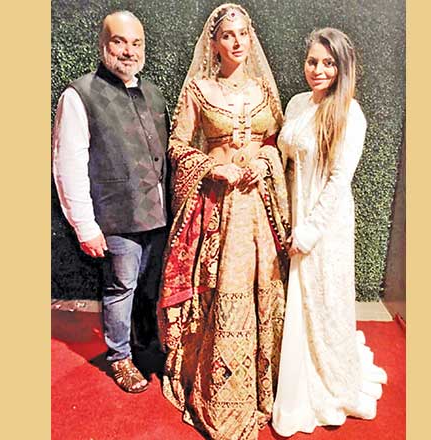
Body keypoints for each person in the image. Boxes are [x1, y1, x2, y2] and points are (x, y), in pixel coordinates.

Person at [157, 4, 290, 439]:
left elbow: (278, 143)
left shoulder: (263, 91)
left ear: (251, 38)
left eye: (243, 34)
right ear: (213, 44)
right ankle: (223, 393)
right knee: (224, 286)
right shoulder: (199, 90)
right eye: (228, 35)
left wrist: (264, 162)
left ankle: (266, 386)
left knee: (263, 286)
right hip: (219, 209)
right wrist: (214, 168)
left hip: (259, 210)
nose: (237, 42)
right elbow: (178, 146)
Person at [272, 28, 388, 436]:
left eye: (328, 63)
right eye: (312, 61)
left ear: (342, 68)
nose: (318, 70)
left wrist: (309, 232)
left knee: (323, 302)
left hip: (325, 226)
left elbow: (339, 180)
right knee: (296, 301)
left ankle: (327, 384)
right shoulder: (297, 103)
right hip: (293, 213)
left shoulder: (350, 114)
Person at [52, 10, 169, 394]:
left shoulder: (153, 93)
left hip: (158, 217)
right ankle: (120, 357)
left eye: (136, 43)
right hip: (115, 217)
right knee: (121, 289)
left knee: (149, 287)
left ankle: (145, 348)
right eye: (119, 41)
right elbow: (67, 163)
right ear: (103, 45)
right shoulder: (79, 95)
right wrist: (84, 225)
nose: (129, 51)